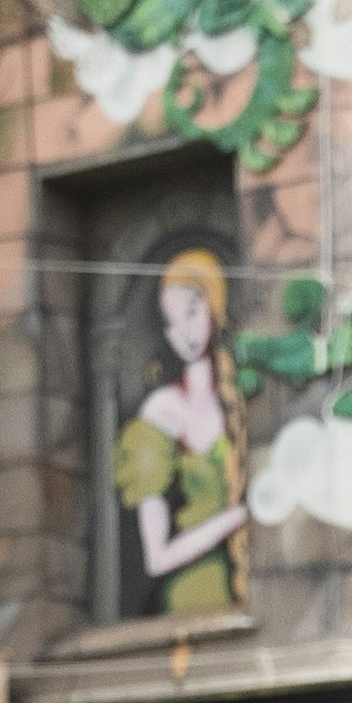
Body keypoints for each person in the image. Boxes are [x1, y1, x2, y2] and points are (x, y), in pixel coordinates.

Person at [114, 246, 252, 618]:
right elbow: (157, 558)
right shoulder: (162, 411)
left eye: (192, 312)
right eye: (172, 322)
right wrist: (236, 518)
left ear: (214, 304)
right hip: (195, 593)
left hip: (253, 589)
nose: (185, 332)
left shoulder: (242, 392)